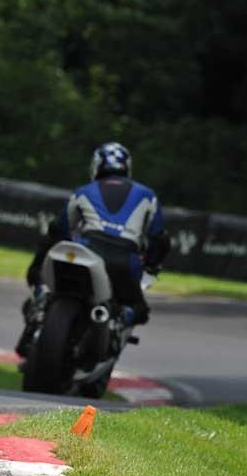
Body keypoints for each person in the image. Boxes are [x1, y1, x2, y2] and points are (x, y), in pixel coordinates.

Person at [15, 142, 171, 357]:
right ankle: (118, 322)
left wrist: (37, 269)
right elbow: (158, 237)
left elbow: (59, 228)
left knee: (49, 286)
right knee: (139, 311)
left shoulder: (83, 191)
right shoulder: (148, 195)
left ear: (96, 166)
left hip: (87, 253)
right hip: (125, 261)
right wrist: (151, 264)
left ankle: (41, 307)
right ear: (127, 167)